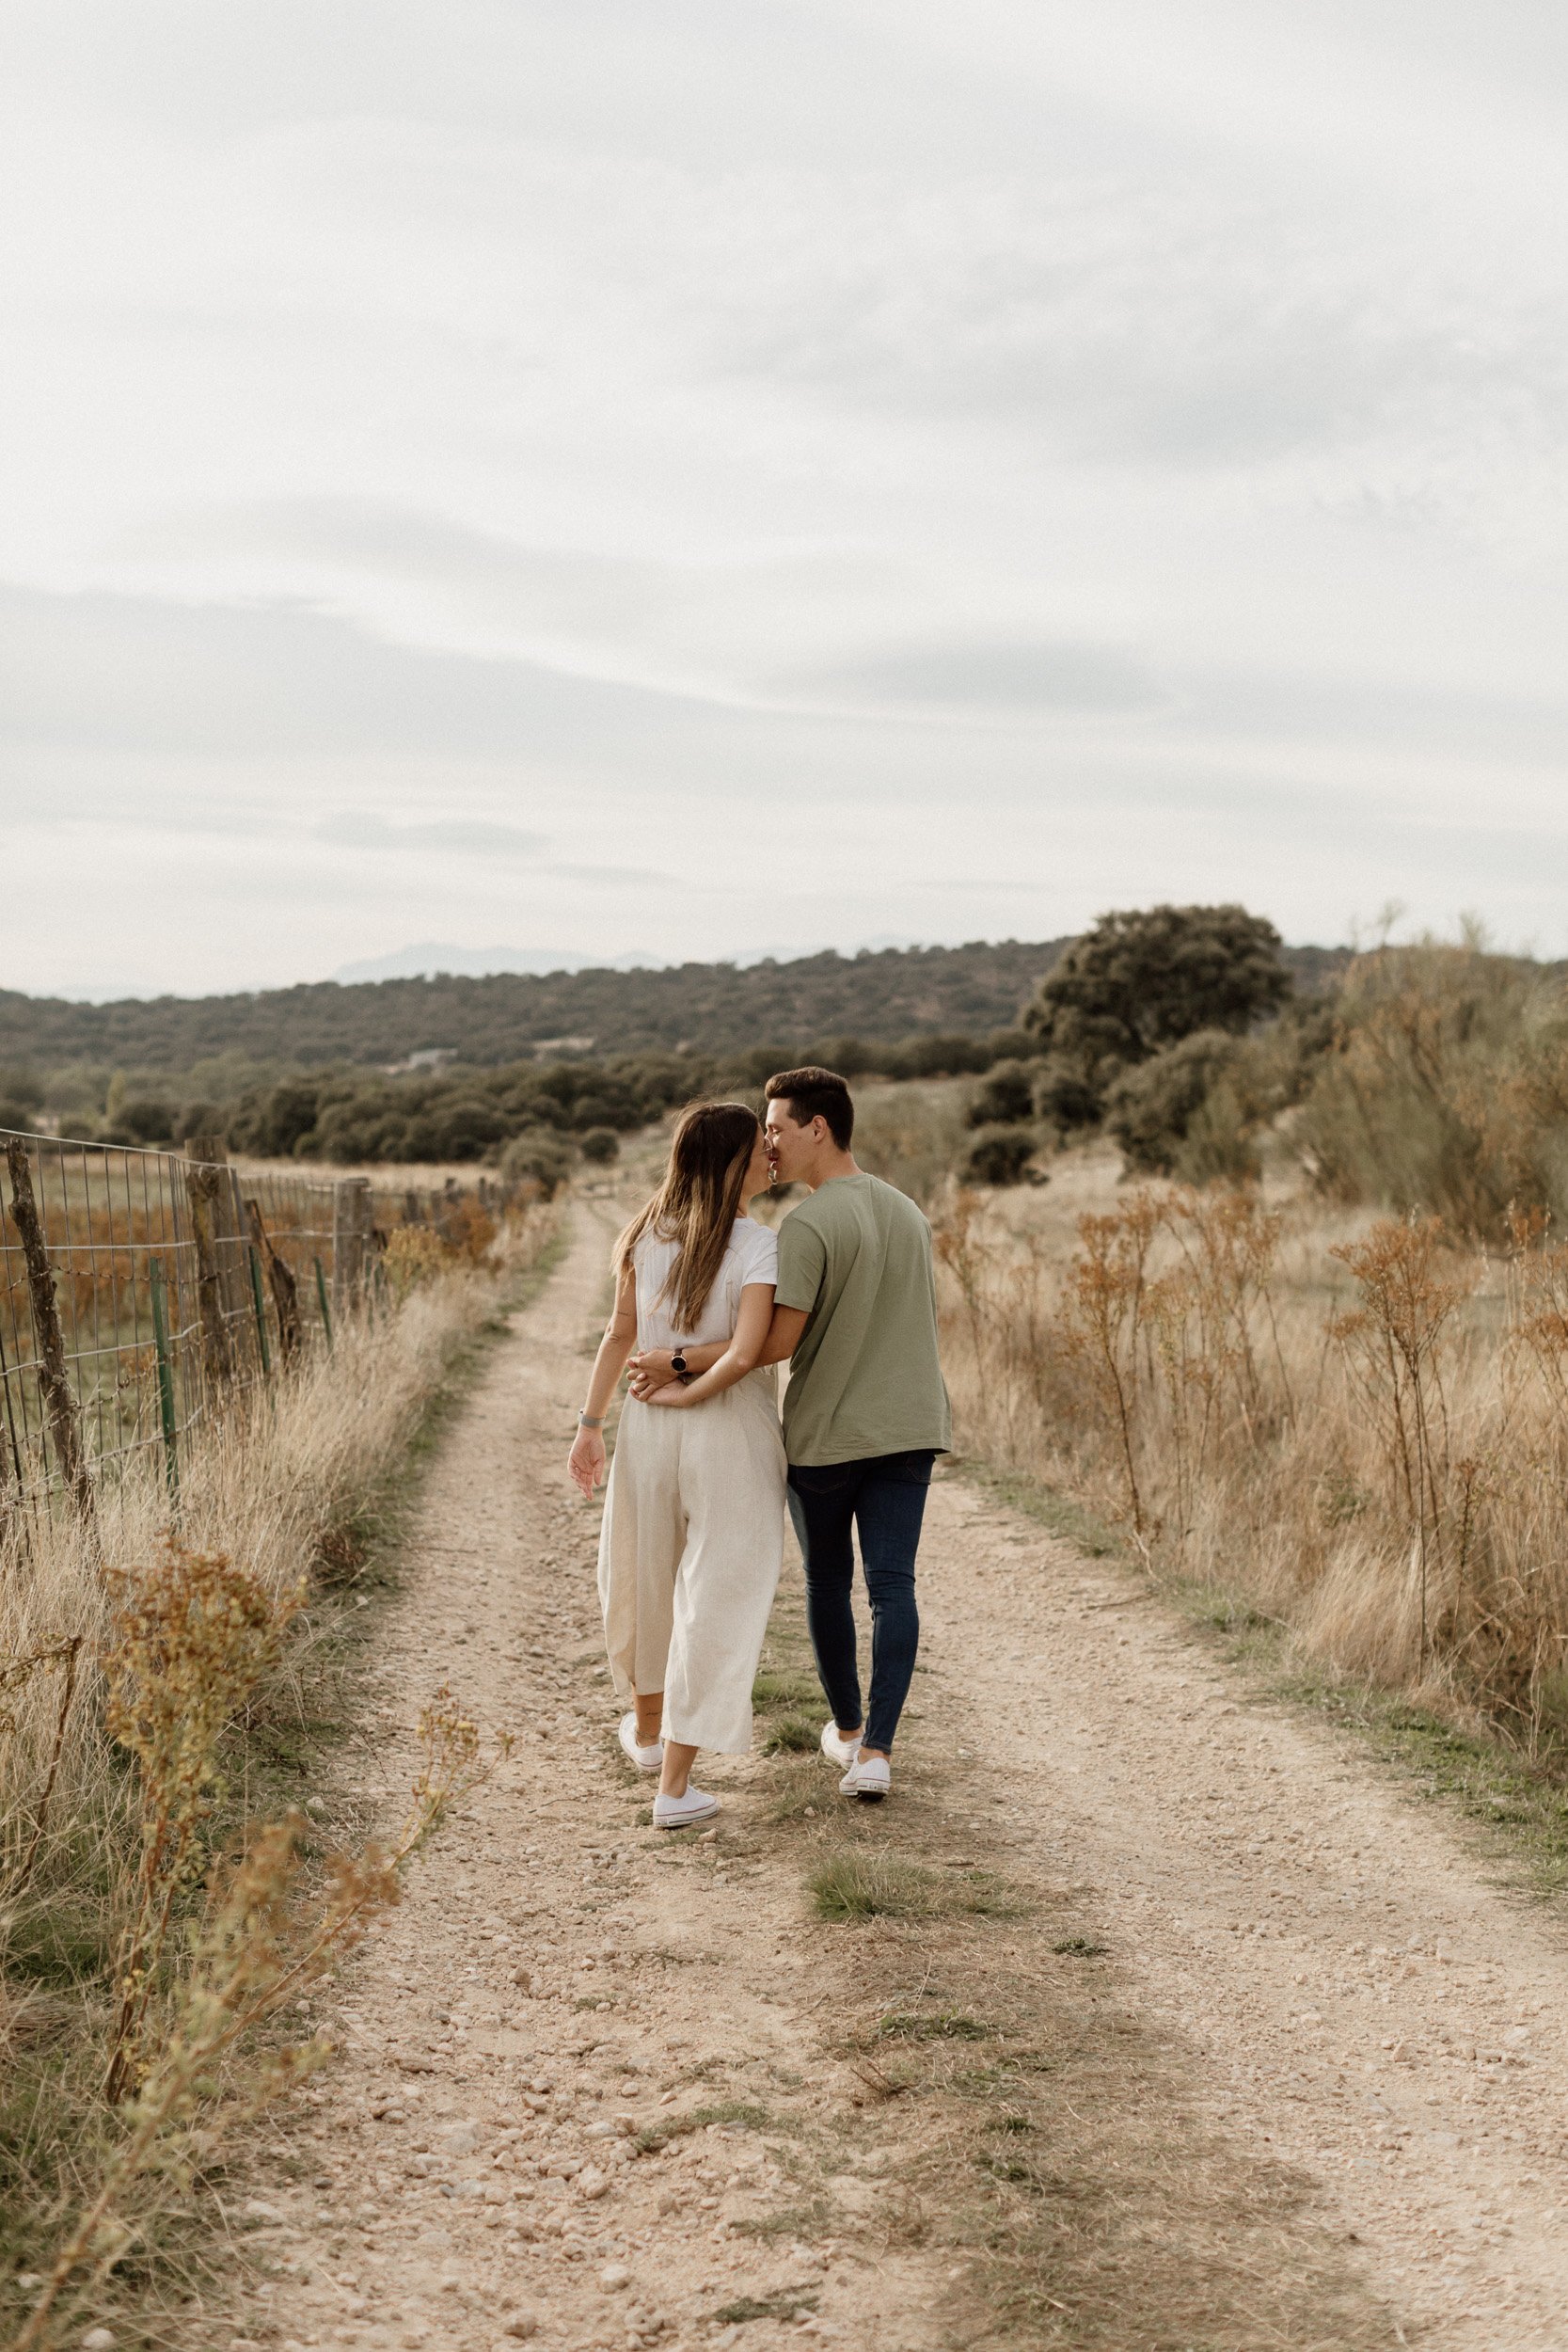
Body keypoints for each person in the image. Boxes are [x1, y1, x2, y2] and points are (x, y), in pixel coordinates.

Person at [633, 1067, 950, 1803]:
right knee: (893, 1587)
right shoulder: (907, 1210)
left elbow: (770, 1343)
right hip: (911, 1423)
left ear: (819, 1128)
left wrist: (677, 1359)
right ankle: (875, 1752)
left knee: (829, 1584)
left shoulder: (805, 1226)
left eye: (776, 1127)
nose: (767, 1141)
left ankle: (845, 1729)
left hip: (829, 1433)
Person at [568, 1102, 785, 1829]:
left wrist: (589, 1425)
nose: (770, 1158)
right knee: (719, 1590)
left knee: (644, 1570)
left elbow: (618, 1334)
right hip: (726, 1428)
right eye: (760, 1147)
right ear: (732, 1162)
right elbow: (747, 1351)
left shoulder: (643, 1234)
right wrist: (693, 1391)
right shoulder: (759, 1245)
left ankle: (650, 1734)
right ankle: (674, 1786)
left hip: (650, 1424)